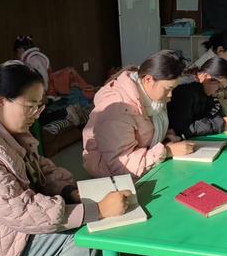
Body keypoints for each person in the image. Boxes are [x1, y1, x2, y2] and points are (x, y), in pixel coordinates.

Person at [0, 61, 130, 256]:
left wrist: (70, 190)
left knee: (77, 214)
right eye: (30, 106)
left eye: (40, 106)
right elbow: (21, 211)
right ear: (1, 101)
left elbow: (42, 170)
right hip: (5, 243)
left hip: (11, 232)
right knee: (84, 234)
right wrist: (94, 210)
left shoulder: (13, 135)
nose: (36, 114)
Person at [83, 50, 194, 180]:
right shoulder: (118, 109)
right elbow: (122, 166)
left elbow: (148, 134)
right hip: (111, 179)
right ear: (148, 80)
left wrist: (167, 138)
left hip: (143, 166)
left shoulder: (150, 97)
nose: (170, 95)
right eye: (168, 89)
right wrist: (167, 151)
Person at [168, 57, 227, 138]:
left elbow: (216, 113)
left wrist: (219, 121)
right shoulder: (184, 91)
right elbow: (184, 129)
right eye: (219, 87)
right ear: (206, 77)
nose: (219, 92)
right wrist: (220, 124)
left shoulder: (207, 89)